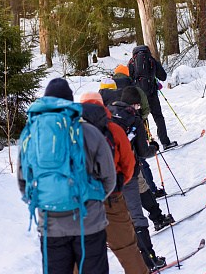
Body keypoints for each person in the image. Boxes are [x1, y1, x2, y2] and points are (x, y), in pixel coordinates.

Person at [17, 78, 116, 274]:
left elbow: (23, 181)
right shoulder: (89, 132)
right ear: (71, 103)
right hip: (89, 222)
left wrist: (45, 200)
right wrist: (92, 198)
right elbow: (109, 178)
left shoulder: (30, 136)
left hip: (50, 225)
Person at [80, 92, 149, 274]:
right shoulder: (113, 129)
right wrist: (117, 185)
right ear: (102, 105)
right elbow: (129, 164)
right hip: (112, 198)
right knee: (127, 249)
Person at [117, 86, 171, 272]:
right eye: (138, 104)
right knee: (136, 216)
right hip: (127, 172)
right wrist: (154, 147)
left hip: (107, 176)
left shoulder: (108, 113)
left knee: (128, 210)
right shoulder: (133, 119)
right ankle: (149, 259)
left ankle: (157, 218)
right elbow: (143, 151)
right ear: (134, 103)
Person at [112, 65, 166, 198]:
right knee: (140, 160)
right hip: (135, 129)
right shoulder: (134, 87)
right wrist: (139, 120)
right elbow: (146, 109)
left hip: (112, 136)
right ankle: (151, 190)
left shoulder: (107, 88)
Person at [128, 46, 177, 150]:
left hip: (138, 96)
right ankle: (165, 142)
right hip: (152, 93)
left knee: (142, 118)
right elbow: (163, 76)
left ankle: (146, 143)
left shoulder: (131, 62)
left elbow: (129, 79)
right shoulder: (151, 60)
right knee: (158, 116)